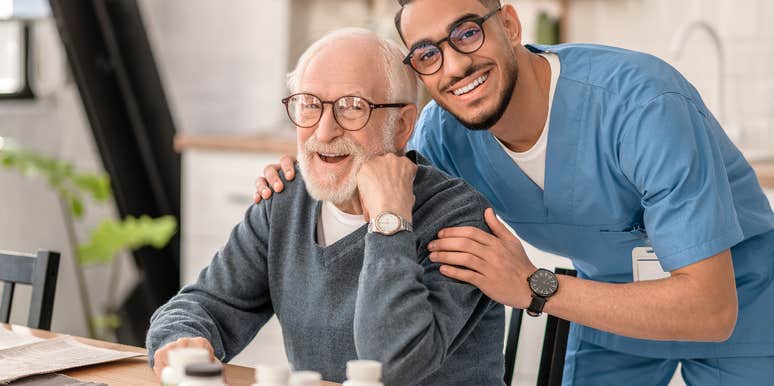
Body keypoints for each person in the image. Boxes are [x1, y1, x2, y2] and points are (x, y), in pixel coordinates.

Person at [254, 0, 774, 384]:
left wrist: (535, 287)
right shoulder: (442, 134)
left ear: (508, 24)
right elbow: (377, 185)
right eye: (427, 55)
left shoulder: (642, 106)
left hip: (738, 299)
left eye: (466, 34)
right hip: (604, 305)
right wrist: (312, 172)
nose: (454, 66)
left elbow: (712, 309)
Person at [146, 27, 505, 385]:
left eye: (352, 107)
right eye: (310, 104)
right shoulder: (286, 200)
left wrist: (389, 221)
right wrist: (181, 341)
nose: (323, 131)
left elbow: (393, 365)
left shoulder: (457, 218)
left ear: (401, 125)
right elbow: (202, 304)